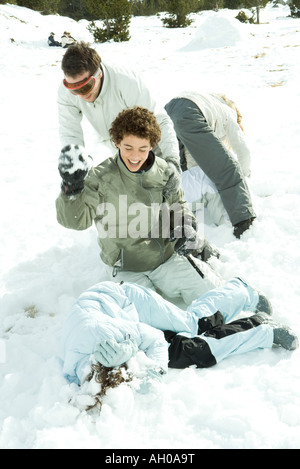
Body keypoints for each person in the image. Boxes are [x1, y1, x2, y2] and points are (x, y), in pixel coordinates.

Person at [56, 106, 221, 306]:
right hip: (126, 266)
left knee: (213, 294)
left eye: (142, 148)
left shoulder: (164, 172)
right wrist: (71, 190)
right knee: (149, 313)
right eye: (128, 147)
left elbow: (178, 203)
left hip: (165, 258)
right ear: (116, 143)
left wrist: (183, 225)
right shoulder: (100, 178)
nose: (135, 156)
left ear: (151, 145)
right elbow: (76, 221)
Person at [61, 278, 298, 391]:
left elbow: (153, 338)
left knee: (192, 324)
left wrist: (155, 372)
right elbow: (79, 385)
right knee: (185, 353)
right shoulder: (75, 370)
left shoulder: (105, 333)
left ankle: (242, 291)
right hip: (116, 317)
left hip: (126, 301)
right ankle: (262, 330)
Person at [57, 41, 181, 194]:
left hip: (150, 143)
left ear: (98, 74)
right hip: (120, 148)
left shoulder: (125, 81)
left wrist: (172, 160)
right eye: (74, 89)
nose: (81, 95)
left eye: (86, 87)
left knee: (166, 187)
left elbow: (159, 120)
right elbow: (70, 132)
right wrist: (74, 164)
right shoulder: (66, 93)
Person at [164, 92, 256, 238]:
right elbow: (243, 151)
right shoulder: (228, 112)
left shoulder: (208, 104)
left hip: (168, 110)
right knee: (228, 169)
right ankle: (243, 221)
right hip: (189, 111)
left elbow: (193, 161)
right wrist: (244, 177)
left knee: (166, 168)